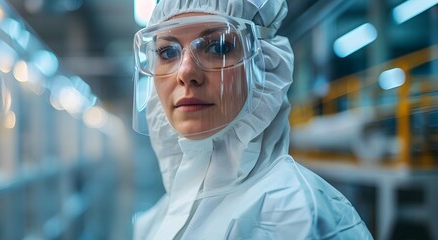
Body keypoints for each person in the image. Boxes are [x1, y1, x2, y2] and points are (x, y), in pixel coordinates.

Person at [131, 0, 373, 239]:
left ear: (264, 63)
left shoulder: (297, 217)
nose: (185, 72)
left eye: (220, 47)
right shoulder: (160, 216)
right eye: (168, 52)